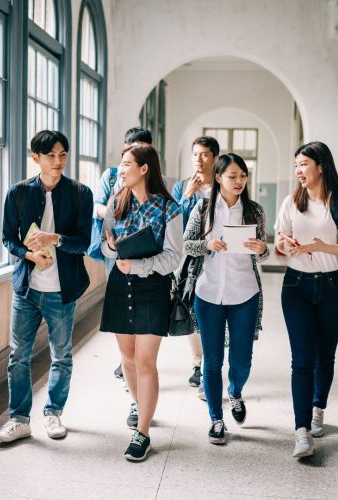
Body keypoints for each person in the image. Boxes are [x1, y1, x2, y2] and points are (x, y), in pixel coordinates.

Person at [0, 130, 93, 443]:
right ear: (36, 158)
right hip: (26, 289)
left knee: (61, 356)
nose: (58, 161)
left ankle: (53, 414)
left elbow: (84, 243)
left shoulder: (80, 193)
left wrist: (56, 239)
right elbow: (8, 237)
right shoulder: (18, 193)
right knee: (18, 357)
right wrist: (29, 253)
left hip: (62, 292)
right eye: (50, 155)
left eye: (63, 154)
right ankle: (19, 419)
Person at [274, 141, 338, 458]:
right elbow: (278, 245)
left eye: (304, 164)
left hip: (333, 288)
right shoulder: (291, 201)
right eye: (296, 165)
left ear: (321, 166)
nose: (298, 170)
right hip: (296, 286)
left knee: (325, 355)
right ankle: (301, 432)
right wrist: (286, 244)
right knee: (302, 359)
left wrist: (319, 246)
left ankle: (318, 409)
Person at [100, 143, 182, 461]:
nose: (120, 170)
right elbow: (104, 248)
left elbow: (173, 257)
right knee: (128, 360)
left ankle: (142, 432)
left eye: (126, 164)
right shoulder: (115, 203)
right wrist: (111, 247)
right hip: (120, 285)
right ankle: (138, 404)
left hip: (153, 288)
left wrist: (138, 266)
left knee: (146, 362)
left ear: (144, 168)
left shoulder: (168, 208)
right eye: (120, 164)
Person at [183, 153, 269, 445]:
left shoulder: (254, 211)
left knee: (242, 360)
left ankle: (235, 392)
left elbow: (265, 250)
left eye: (243, 176)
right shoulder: (203, 210)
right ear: (218, 178)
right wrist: (207, 244)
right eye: (233, 176)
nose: (239, 181)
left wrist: (260, 248)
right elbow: (187, 244)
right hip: (208, 294)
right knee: (212, 361)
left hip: (245, 293)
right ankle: (216, 419)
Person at [94, 127, 153, 383]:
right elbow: (97, 205)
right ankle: (126, 357)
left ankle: (140, 356)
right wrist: (113, 213)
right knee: (120, 299)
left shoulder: (153, 180)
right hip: (116, 247)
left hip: (145, 252)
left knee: (143, 303)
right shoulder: (111, 176)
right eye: (132, 150)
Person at [172, 136, 219, 399]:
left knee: (212, 311)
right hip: (190, 258)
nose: (198, 160)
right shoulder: (182, 187)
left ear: (214, 158)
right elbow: (174, 223)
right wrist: (187, 196)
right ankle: (197, 362)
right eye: (195, 155)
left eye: (204, 155)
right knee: (192, 310)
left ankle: (210, 363)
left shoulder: (223, 185)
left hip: (217, 256)